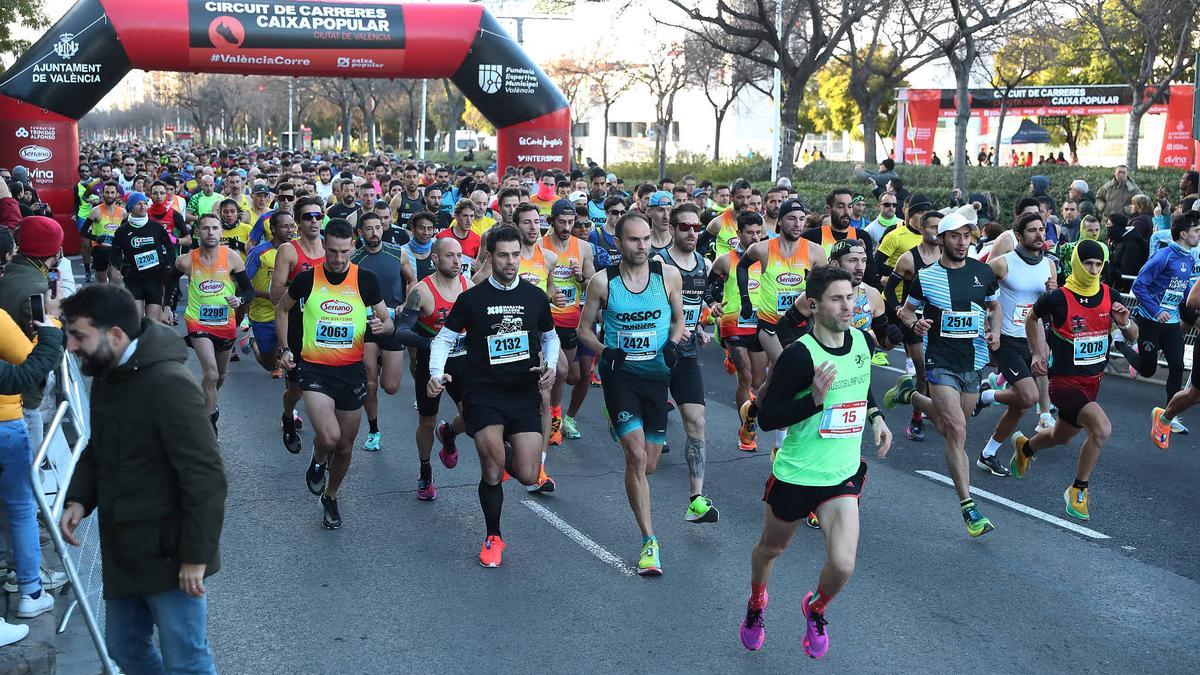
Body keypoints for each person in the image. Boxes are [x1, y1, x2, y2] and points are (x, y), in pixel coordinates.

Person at [59, 284, 227, 673]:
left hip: (171, 556)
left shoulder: (170, 384)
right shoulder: (108, 372)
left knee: (186, 660)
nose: (70, 346)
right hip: (125, 548)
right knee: (125, 648)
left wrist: (195, 557)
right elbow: (100, 446)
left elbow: (206, 477)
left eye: (79, 335)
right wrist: (79, 499)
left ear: (115, 334)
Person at [739, 266, 892, 656]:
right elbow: (769, 417)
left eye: (851, 297)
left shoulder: (862, 341)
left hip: (841, 474)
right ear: (813, 305)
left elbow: (862, 387)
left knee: (843, 565)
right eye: (837, 299)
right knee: (771, 550)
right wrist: (813, 400)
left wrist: (876, 419)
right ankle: (757, 600)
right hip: (795, 474)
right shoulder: (799, 356)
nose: (848, 306)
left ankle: (816, 607)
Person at [426, 225, 559, 567]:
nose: (511, 261)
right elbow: (443, 340)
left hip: (522, 392)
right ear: (489, 256)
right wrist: (436, 374)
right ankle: (493, 536)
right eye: (503, 255)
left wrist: (552, 365)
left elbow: (549, 337)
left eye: (516, 254)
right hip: (482, 391)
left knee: (529, 475)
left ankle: (459, 434)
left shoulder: (534, 297)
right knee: (492, 468)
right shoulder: (472, 299)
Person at [579, 212, 684, 575]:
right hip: (620, 376)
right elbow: (584, 330)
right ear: (619, 244)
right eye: (634, 240)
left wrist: (672, 343)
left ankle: (622, 427)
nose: (642, 246)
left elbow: (679, 319)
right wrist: (605, 351)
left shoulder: (667, 276)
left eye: (646, 239)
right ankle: (649, 541)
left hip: (657, 376)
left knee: (651, 463)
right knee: (637, 458)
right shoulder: (602, 282)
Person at [885, 211, 1001, 537]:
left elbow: (994, 306)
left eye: (967, 236)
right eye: (955, 236)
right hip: (940, 361)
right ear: (942, 239)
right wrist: (915, 323)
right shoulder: (927, 276)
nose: (962, 242)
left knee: (949, 427)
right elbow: (905, 311)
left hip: (974, 362)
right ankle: (969, 507)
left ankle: (910, 394)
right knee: (959, 431)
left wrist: (995, 333)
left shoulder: (982, 271)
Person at [276, 219, 393, 529]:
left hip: (351, 373)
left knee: (344, 446)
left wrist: (384, 326)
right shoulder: (306, 279)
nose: (338, 259)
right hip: (315, 369)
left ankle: (330, 495)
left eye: (343, 252)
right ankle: (317, 460)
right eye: (331, 251)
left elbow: (387, 319)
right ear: (324, 246)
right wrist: (285, 349)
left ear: (352, 248)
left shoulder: (365, 280)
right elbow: (282, 309)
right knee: (329, 436)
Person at [1009, 240, 1137, 520]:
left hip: (1093, 380)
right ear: (1077, 264)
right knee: (1101, 429)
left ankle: (1026, 447)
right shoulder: (1057, 298)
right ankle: (1078, 491)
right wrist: (1037, 353)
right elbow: (1032, 319)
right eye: (1088, 264)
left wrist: (1125, 322)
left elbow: (1133, 336)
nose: (1093, 270)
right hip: (1064, 382)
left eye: (1098, 264)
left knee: (1061, 436)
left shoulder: (1110, 294)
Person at [736, 200, 827, 452]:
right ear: (780, 221)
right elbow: (742, 266)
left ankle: (751, 411)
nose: (797, 224)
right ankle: (781, 446)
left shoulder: (815, 252)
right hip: (769, 325)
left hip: (800, 324)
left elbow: (820, 287)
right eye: (792, 218)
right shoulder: (763, 249)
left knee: (778, 376)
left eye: (801, 219)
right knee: (788, 369)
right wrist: (745, 298)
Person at [388, 237, 472, 499]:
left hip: (462, 362)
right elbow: (401, 331)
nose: (457, 261)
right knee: (427, 420)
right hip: (430, 365)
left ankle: (449, 433)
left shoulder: (468, 286)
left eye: (459, 256)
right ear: (435, 259)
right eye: (450, 256)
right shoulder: (421, 292)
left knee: (474, 417)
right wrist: (432, 343)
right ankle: (425, 471)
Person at [0, 300, 65, 636]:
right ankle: (31, 592)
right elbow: (26, 374)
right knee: (21, 509)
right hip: (5, 427)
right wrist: (52, 337)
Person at [974, 213, 1055, 475]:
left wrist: (1053, 292)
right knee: (1029, 396)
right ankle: (985, 396)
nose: (1039, 235)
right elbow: (975, 285)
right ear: (1018, 236)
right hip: (1007, 339)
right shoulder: (1003, 263)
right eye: (1032, 230)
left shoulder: (1050, 266)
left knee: (1019, 406)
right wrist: (988, 324)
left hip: (1033, 340)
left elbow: (1049, 306)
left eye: (1041, 229)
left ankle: (988, 453)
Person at [654, 203, 719, 523]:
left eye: (696, 227)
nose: (692, 232)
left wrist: (701, 328)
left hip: (688, 355)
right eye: (684, 227)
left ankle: (696, 498)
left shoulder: (704, 264)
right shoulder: (659, 262)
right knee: (648, 452)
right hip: (654, 355)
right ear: (673, 229)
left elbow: (696, 304)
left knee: (697, 422)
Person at [168, 214, 254, 434]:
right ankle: (209, 421)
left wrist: (240, 300)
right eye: (205, 228)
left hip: (225, 323)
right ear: (198, 232)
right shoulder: (186, 260)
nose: (210, 232)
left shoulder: (233, 257)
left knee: (221, 375)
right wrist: (167, 306)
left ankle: (204, 401)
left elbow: (248, 290)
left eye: (215, 228)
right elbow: (169, 282)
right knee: (212, 373)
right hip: (198, 321)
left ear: (221, 232)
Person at [1123, 212, 1200, 434]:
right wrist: (1156, 311)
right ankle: (1122, 344)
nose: (1199, 235)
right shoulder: (1164, 256)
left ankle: (1169, 416)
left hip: (1172, 322)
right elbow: (1138, 286)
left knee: (1177, 366)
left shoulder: (1190, 257)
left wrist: (1190, 301)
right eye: (1196, 231)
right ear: (1183, 234)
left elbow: (1183, 287)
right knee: (1147, 370)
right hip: (1150, 320)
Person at [270, 197, 327, 455]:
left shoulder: (331, 249)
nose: (314, 221)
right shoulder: (289, 251)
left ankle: (324, 443)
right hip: (296, 327)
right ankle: (287, 415)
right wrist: (307, 288)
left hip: (327, 327)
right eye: (308, 217)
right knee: (295, 390)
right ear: (298, 221)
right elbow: (275, 295)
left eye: (318, 216)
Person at [539, 199, 596, 444]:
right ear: (552, 221)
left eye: (570, 222)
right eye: (561, 222)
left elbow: (593, 283)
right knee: (557, 371)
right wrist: (549, 297)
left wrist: (581, 276)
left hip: (573, 319)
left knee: (571, 376)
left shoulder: (583, 247)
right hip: (546, 321)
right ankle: (553, 417)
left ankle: (553, 413)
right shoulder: (541, 246)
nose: (566, 226)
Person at [708, 211, 766, 449]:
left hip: (760, 322)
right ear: (739, 233)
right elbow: (707, 285)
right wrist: (713, 303)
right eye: (749, 233)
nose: (754, 237)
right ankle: (747, 426)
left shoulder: (768, 258)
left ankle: (750, 409)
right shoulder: (725, 260)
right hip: (733, 323)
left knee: (760, 381)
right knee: (746, 377)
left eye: (758, 233)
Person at [351, 211, 408, 452]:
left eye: (378, 227)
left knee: (391, 386)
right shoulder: (354, 259)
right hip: (367, 325)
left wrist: (406, 304)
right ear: (360, 233)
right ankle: (374, 430)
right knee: (369, 382)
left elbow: (413, 280)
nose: (374, 232)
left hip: (392, 323)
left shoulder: (397, 252)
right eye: (368, 229)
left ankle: (382, 363)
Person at [244, 211, 295, 377]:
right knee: (270, 364)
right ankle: (252, 342)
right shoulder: (258, 252)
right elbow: (243, 285)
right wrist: (270, 295)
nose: (290, 230)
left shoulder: (297, 250)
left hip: (290, 313)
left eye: (292, 226)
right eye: (284, 226)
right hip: (263, 314)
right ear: (273, 228)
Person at [110, 192, 174, 322]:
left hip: (154, 279)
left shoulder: (156, 227)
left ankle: (151, 342)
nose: (143, 206)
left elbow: (170, 248)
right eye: (139, 204)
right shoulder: (122, 230)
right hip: (134, 280)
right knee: (136, 322)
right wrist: (122, 267)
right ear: (131, 207)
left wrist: (168, 265)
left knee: (152, 324)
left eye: (145, 203)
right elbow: (114, 253)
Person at [82, 181, 125, 284]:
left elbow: (125, 232)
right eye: (107, 192)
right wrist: (96, 238)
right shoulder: (95, 211)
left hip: (115, 250)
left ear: (117, 194)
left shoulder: (123, 212)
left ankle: (114, 299)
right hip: (100, 250)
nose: (109, 195)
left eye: (112, 192)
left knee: (116, 279)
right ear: (102, 193)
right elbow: (83, 232)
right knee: (102, 283)